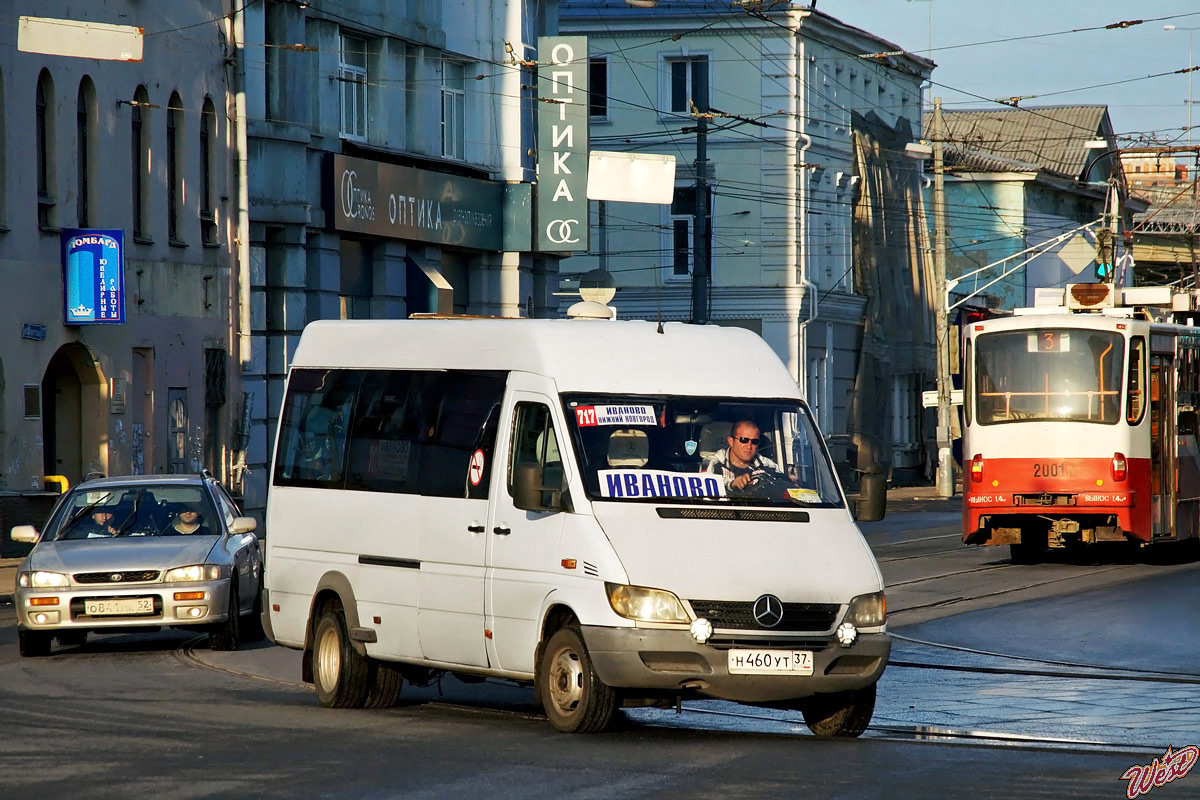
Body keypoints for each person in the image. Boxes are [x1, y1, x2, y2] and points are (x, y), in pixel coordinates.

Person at [703, 420, 786, 495]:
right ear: (731, 441)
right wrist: (731, 485)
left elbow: (782, 487)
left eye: (754, 441)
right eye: (743, 440)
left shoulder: (769, 466)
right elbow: (705, 490)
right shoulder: (713, 464)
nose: (749, 446)